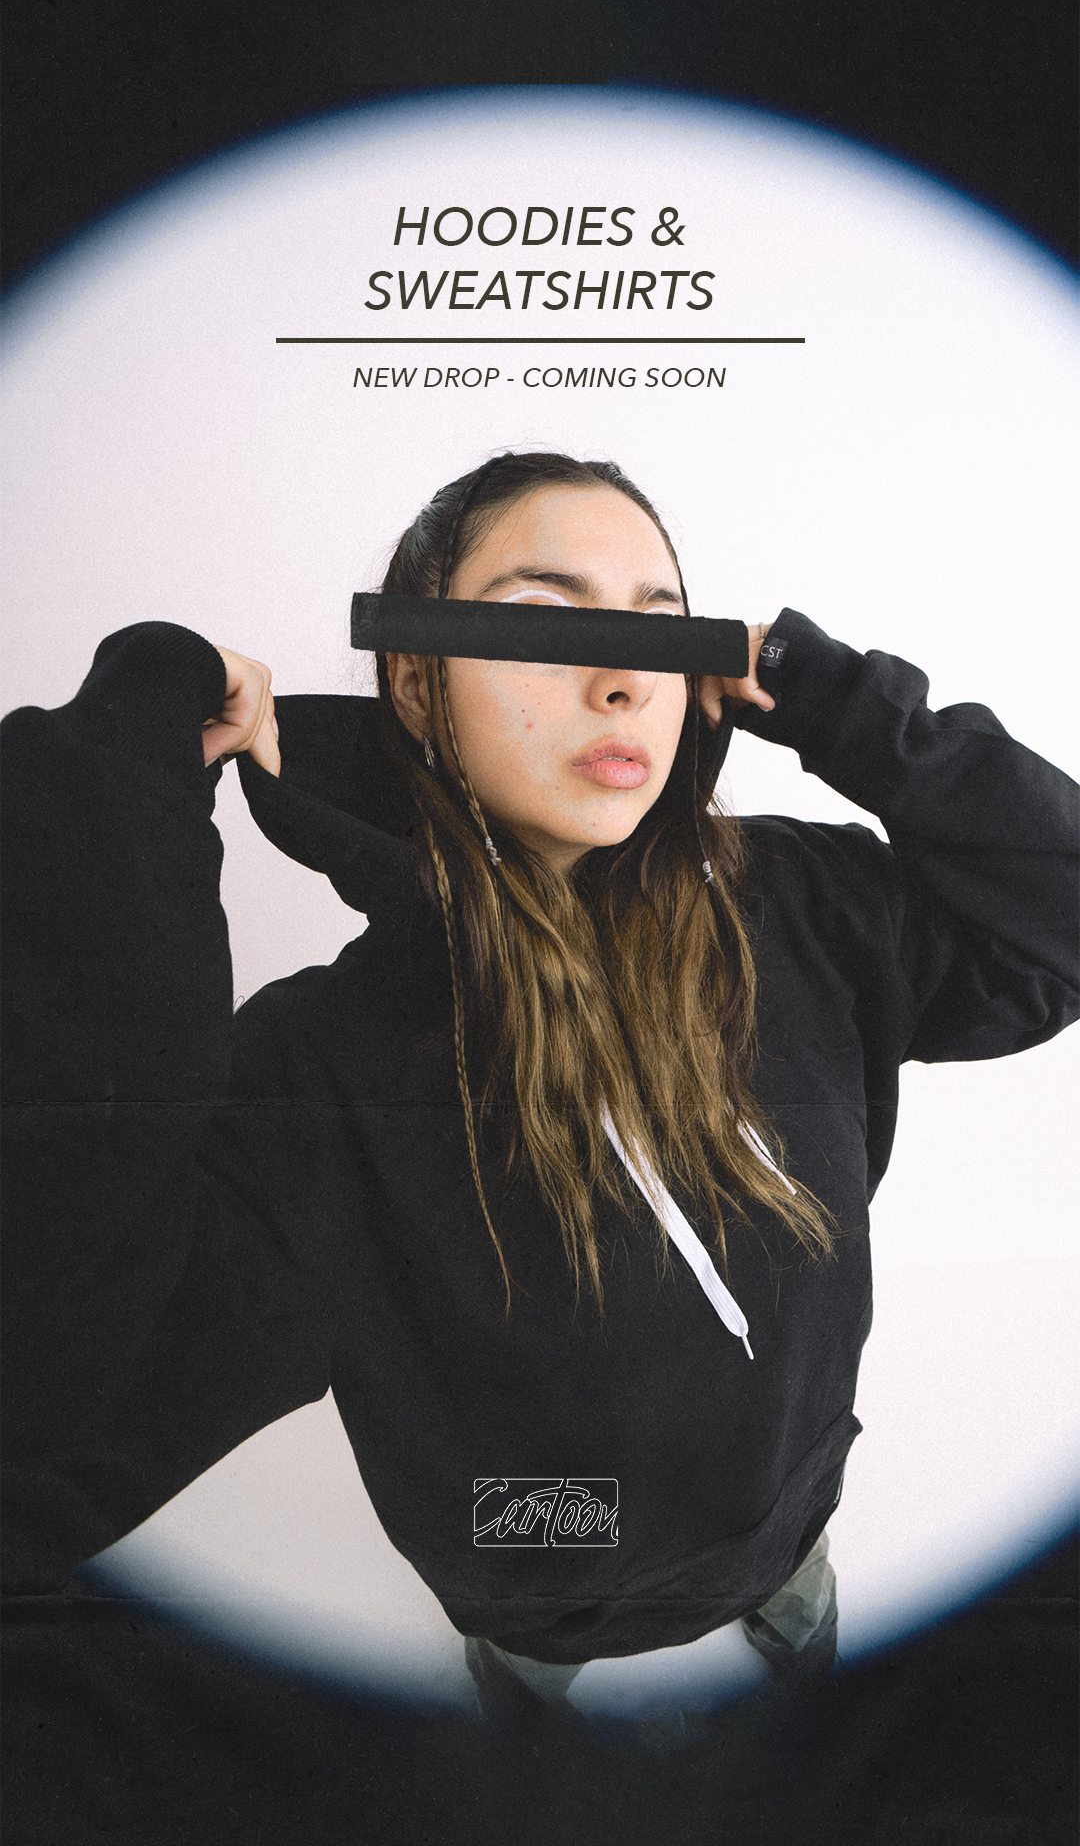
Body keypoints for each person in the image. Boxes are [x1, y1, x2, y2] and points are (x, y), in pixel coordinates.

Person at [3, 451, 1077, 1732]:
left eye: (657, 630)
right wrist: (117, 791)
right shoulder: (316, 1079)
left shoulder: (806, 908)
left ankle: (784, 1611)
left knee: (802, 1627)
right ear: (419, 681)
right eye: (540, 623)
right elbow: (58, 1404)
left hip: (796, 1513)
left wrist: (838, 701)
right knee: (532, 1716)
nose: (622, 680)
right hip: (537, 1578)